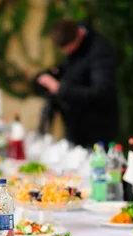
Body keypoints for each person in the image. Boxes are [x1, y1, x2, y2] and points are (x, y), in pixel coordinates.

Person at [34, 19, 119, 147]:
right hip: (75, 124)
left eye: (68, 50)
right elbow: (72, 68)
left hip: (96, 128)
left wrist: (60, 89)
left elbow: (101, 92)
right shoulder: (72, 36)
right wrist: (53, 74)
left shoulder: (100, 52)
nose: (66, 53)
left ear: (78, 36)